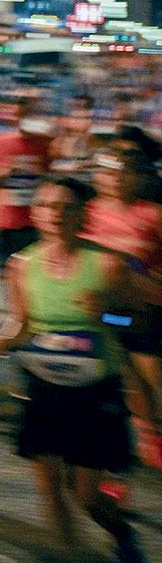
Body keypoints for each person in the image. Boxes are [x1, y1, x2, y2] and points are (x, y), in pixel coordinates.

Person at [0, 177, 148, 563]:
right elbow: (20, 321)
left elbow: (140, 322)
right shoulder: (21, 264)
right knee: (49, 486)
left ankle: (122, 536)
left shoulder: (110, 265)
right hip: (44, 384)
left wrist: (108, 315)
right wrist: (2, 339)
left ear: (82, 214)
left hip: (95, 388)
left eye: (65, 205)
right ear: (34, 213)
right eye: (45, 205)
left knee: (88, 496)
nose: (54, 213)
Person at [84, 148, 162, 467]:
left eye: (121, 172)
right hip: (101, 314)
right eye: (106, 172)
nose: (114, 179)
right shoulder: (86, 211)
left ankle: (149, 432)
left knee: (147, 385)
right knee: (116, 386)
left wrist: (146, 282)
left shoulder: (153, 215)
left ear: (136, 177)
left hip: (144, 315)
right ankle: (118, 470)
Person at [0, 96, 50, 266]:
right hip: (2, 225)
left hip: (32, 223)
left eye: (22, 104)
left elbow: (47, 175)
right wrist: (2, 171)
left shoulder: (41, 144)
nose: (16, 110)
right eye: (12, 105)